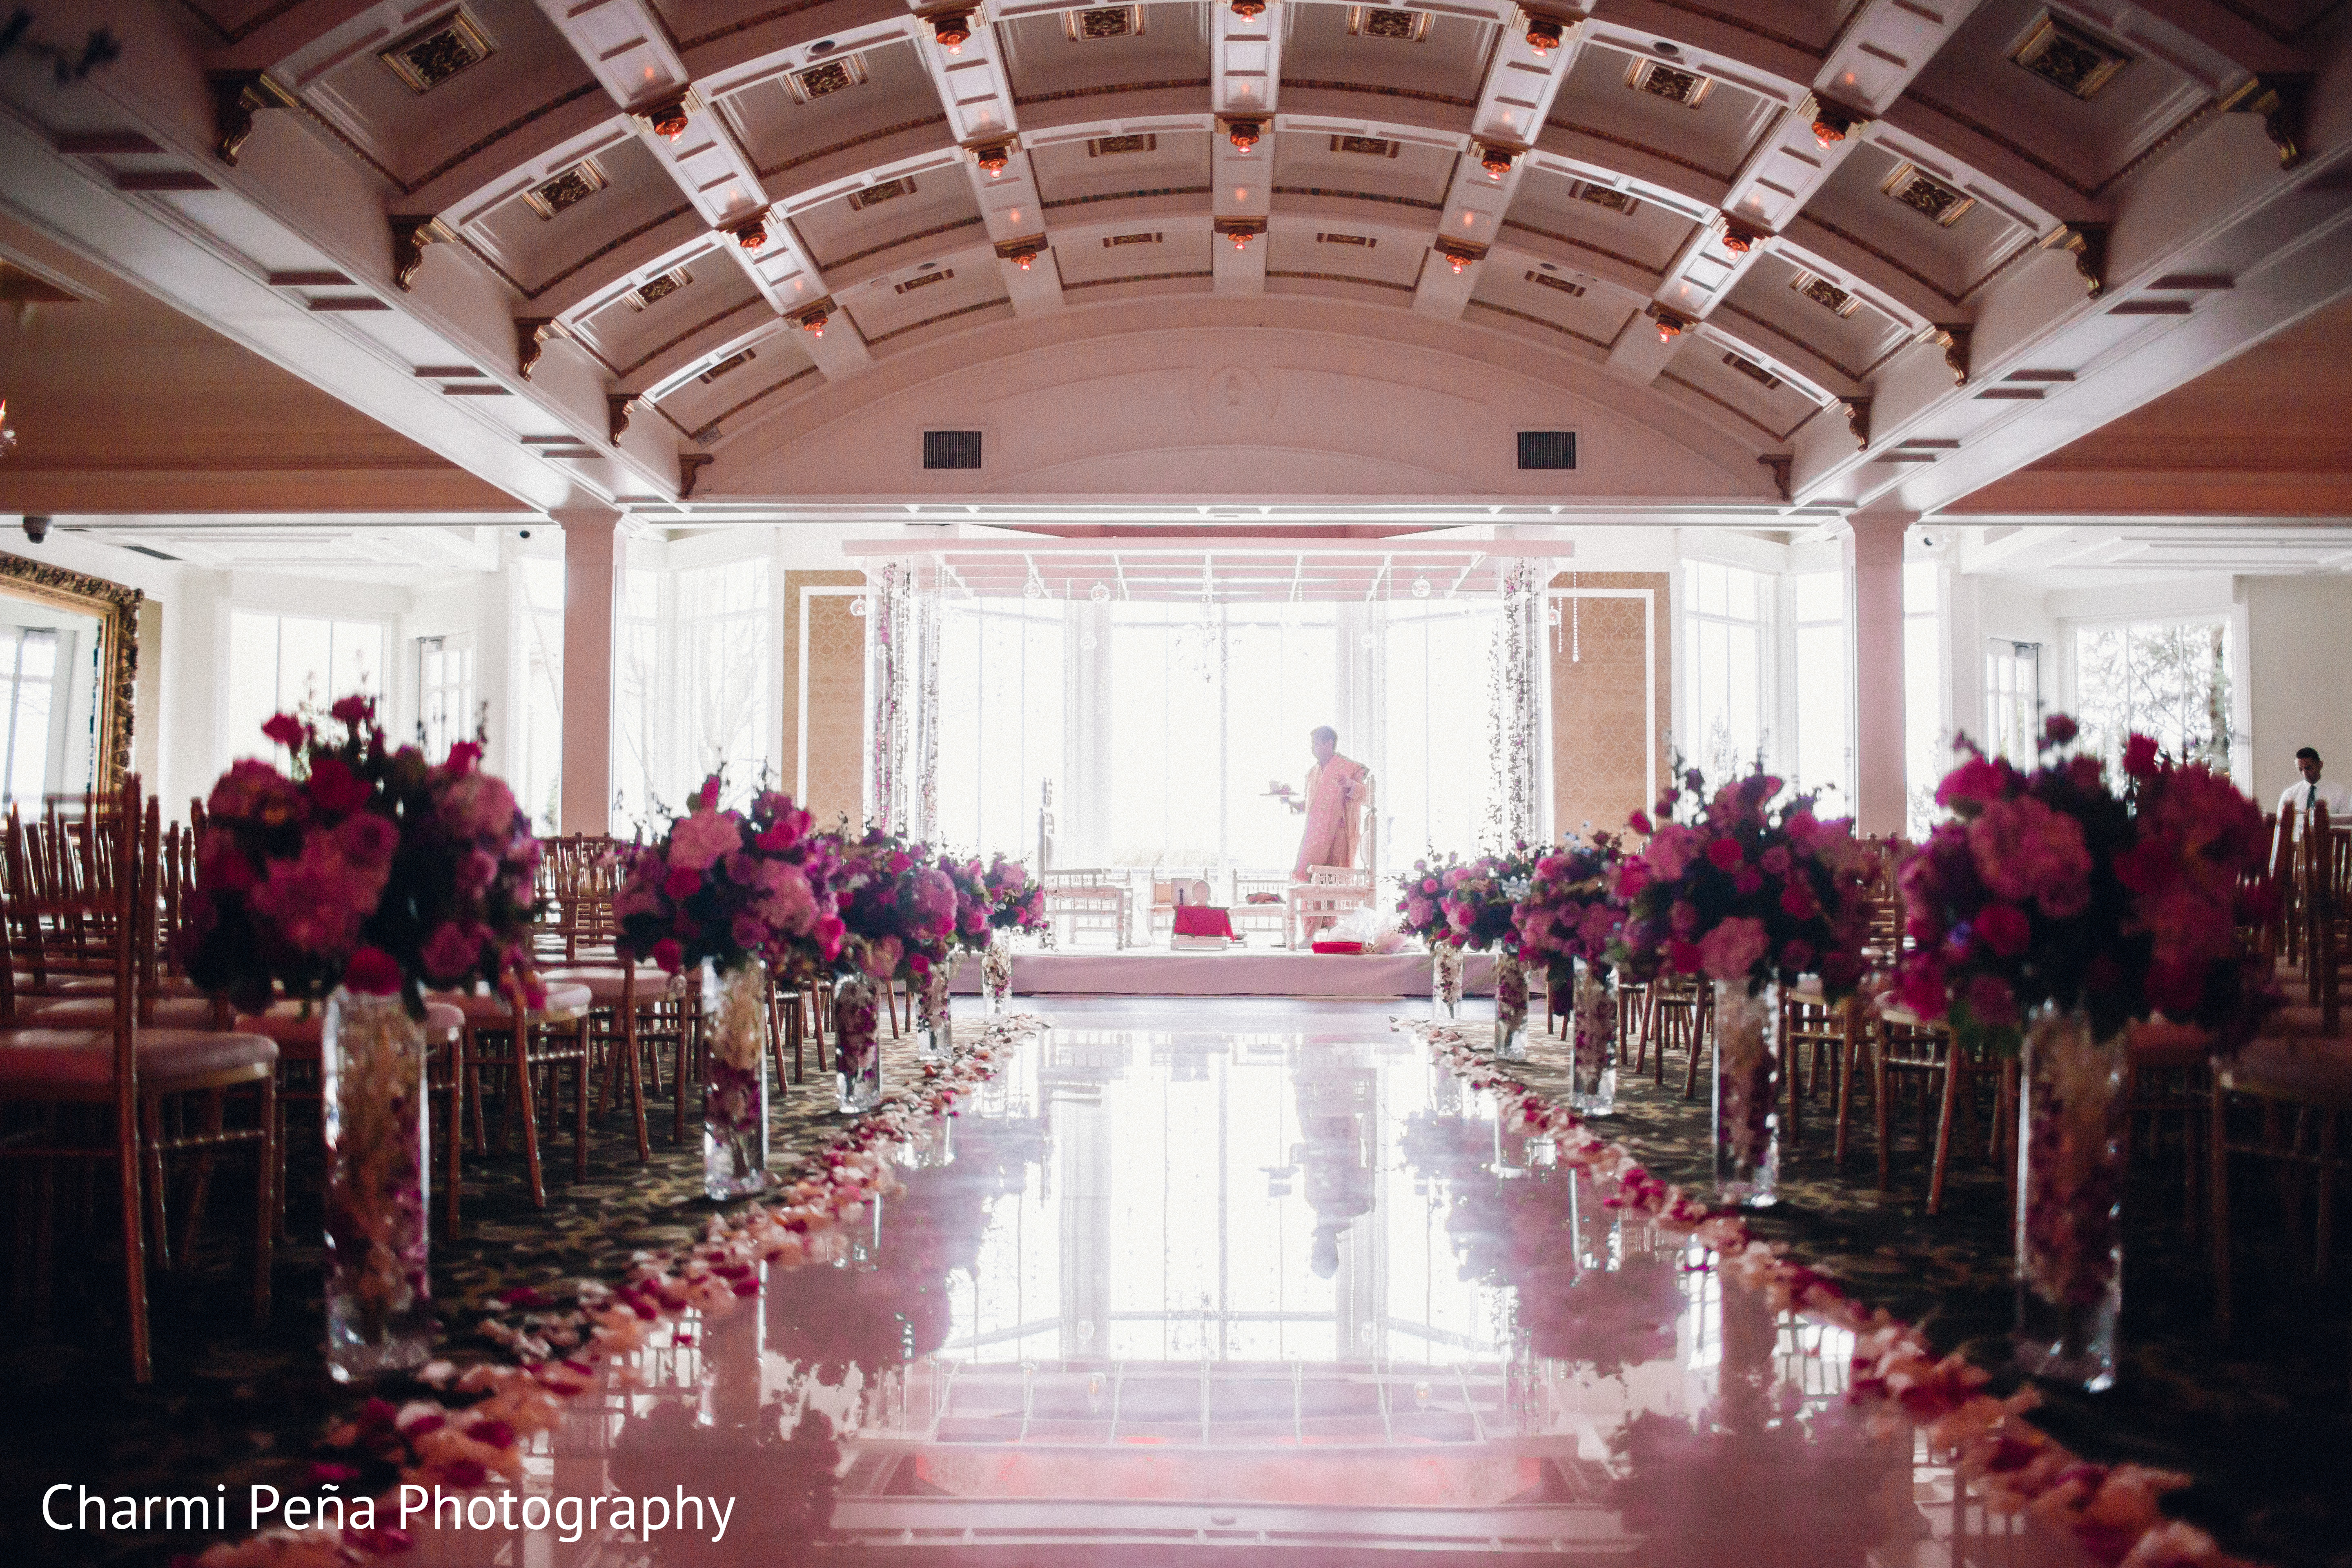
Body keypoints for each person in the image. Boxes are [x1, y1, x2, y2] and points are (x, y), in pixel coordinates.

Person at [1290, 725, 1368, 880]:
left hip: (1338, 836)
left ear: (1330, 744)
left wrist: (1350, 784)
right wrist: (1293, 804)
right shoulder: (1313, 774)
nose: (1314, 749)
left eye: (1317, 744)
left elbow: (1367, 796)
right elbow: (1312, 805)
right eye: (1313, 745)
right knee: (1313, 883)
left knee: (1334, 884)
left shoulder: (1349, 769)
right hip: (1315, 838)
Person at [2278, 746, 2351, 831]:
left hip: (2328, 841)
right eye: (2300, 770)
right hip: (2297, 842)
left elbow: (2346, 826)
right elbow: (2281, 826)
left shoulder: (2339, 793)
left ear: (2320, 765)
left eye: (2308, 768)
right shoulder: (2289, 795)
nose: (2304, 773)